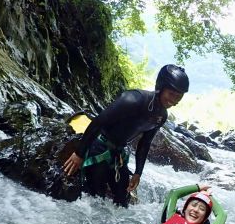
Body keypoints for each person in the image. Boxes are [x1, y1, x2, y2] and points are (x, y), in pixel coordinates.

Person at [62, 64, 189, 207]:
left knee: (122, 201)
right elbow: (98, 123)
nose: (174, 100)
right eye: (171, 94)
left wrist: (138, 173)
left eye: (179, 96)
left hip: (118, 153)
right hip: (99, 146)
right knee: (96, 199)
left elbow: (145, 143)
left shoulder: (161, 115)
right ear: (161, 87)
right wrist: (79, 153)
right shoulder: (133, 99)